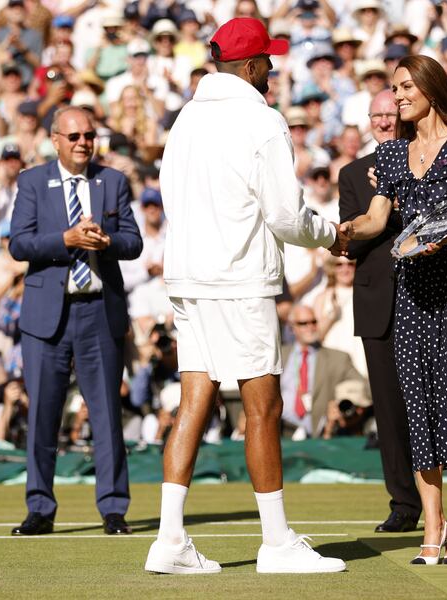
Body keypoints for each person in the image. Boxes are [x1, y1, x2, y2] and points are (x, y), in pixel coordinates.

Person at [144, 18, 348, 575]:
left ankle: (169, 541)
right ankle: (277, 544)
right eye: (269, 64)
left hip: (189, 279)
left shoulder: (184, 118)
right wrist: (333, 234)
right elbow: (285, 215)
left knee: (194, 399)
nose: (273, 73)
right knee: (264, 407)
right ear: (253, 66)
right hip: (238, 279)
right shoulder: (263, 120)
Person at [341, 55, 447, 566]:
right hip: (409, 292)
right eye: (394, 88)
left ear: (430, 88)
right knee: (420, 409)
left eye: (406, 87)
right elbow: (375, 220)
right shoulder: (389, 156)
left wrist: (443, 236)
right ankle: (432, 522)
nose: (399, 96)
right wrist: (338, 234)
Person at [8, 105, 143, 537]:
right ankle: (40, 509)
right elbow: (19, 244)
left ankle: (114, 509)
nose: (84, 142)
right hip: (47, 315)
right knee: (43, 416)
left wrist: (105, 243)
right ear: (55, 140)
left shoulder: (113, 181)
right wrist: (65, 239)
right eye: (75, 136)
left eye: (89, 135)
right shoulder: (32, 181)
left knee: (105, 415)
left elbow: (134, 242)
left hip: (98, 312)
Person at [280, 304, 365, 439]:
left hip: (319, 435)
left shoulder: (337, 359)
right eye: (303, 323)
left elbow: (364, 388)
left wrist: (342, 402)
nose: (310, 327)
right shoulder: (279, 355)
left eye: (313, 322)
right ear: (292, 327)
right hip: (282, 432)